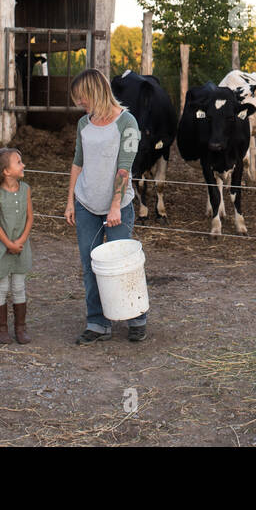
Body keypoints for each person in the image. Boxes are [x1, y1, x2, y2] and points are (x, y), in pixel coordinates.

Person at [65, 67, 148, 344]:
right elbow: (78, 162)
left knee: (123, 263)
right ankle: (97, 322)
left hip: (118, 206)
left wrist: (115, 206)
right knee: (90, 264)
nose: (80, 103)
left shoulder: (127, 123)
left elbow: (124, 166)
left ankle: (136, 316)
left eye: (82, 97)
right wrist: (70, 202)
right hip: (86, 203)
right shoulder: (84, 124)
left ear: (94, 92)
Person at [0, 147, 33, 344]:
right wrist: (8, 244)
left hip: (21, 247)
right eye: (18, 162)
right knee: (1, 286)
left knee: (19, 286)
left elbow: (30, 218)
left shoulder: (26, 190)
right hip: (2, 248)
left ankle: (20, 328)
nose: (23, 165)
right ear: (6, 171)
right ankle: (1, 329)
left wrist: (20, 241)